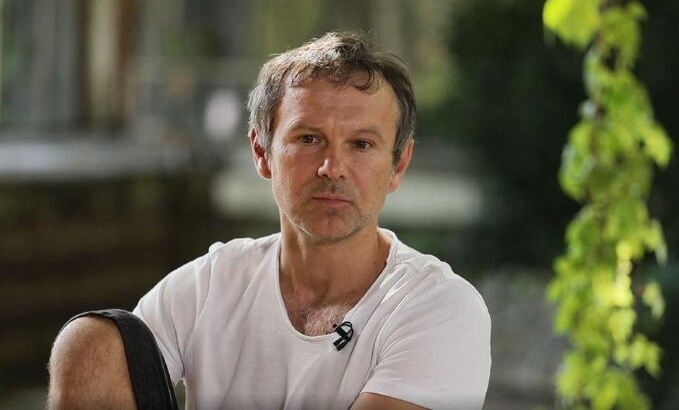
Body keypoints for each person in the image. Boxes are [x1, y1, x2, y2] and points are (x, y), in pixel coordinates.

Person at [48, 31, 491, 410]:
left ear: (398, 165)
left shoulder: (439, 308)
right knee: (89, 342)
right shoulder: (210, 286)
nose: (332, 168)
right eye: (309, 138)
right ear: (262, 153)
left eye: (361, 144)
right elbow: (101, 370)